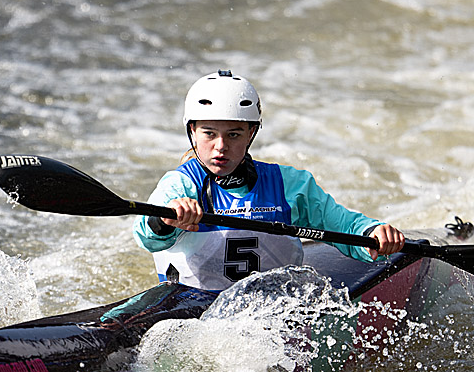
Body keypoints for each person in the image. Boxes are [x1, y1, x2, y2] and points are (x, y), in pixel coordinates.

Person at [133, 70, 405, 291]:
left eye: (234, 134)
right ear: (192, 130)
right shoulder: (181, 185)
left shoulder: (290, 184)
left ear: (252, 132)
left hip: (274, 308)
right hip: (193, 306)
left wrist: (373, 233)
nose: (221, 146)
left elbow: (343, 225)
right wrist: (165, 220)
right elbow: (146, 236)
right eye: (209, 133)